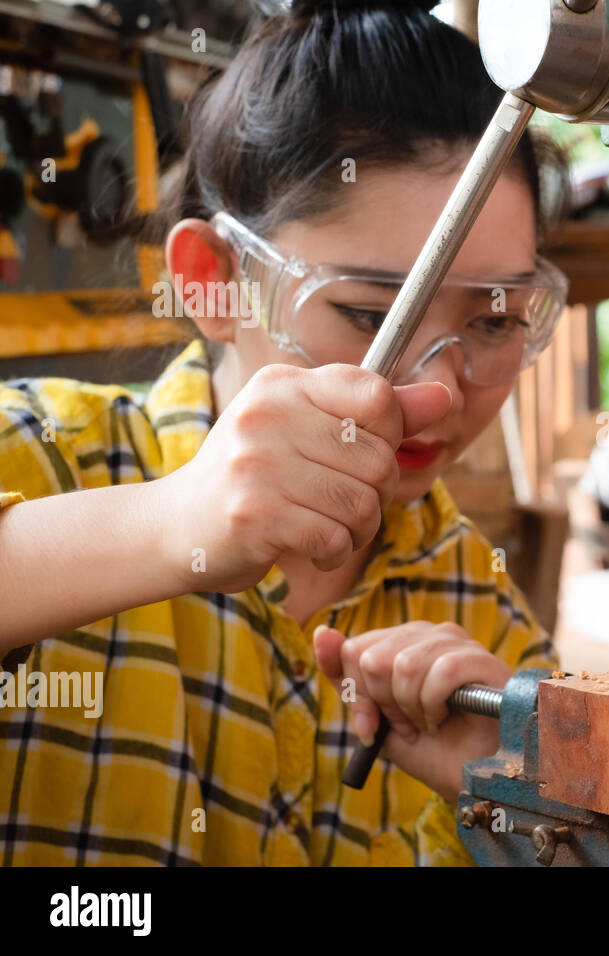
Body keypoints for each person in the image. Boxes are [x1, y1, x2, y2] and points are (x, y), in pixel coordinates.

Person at [0, 0, 566, 865]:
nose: (440, 391)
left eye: (493, 322)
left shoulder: (482, 615)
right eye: (373, 313)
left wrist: (513, 798)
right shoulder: (42, 457)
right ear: (214, 281)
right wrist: (167, 526)